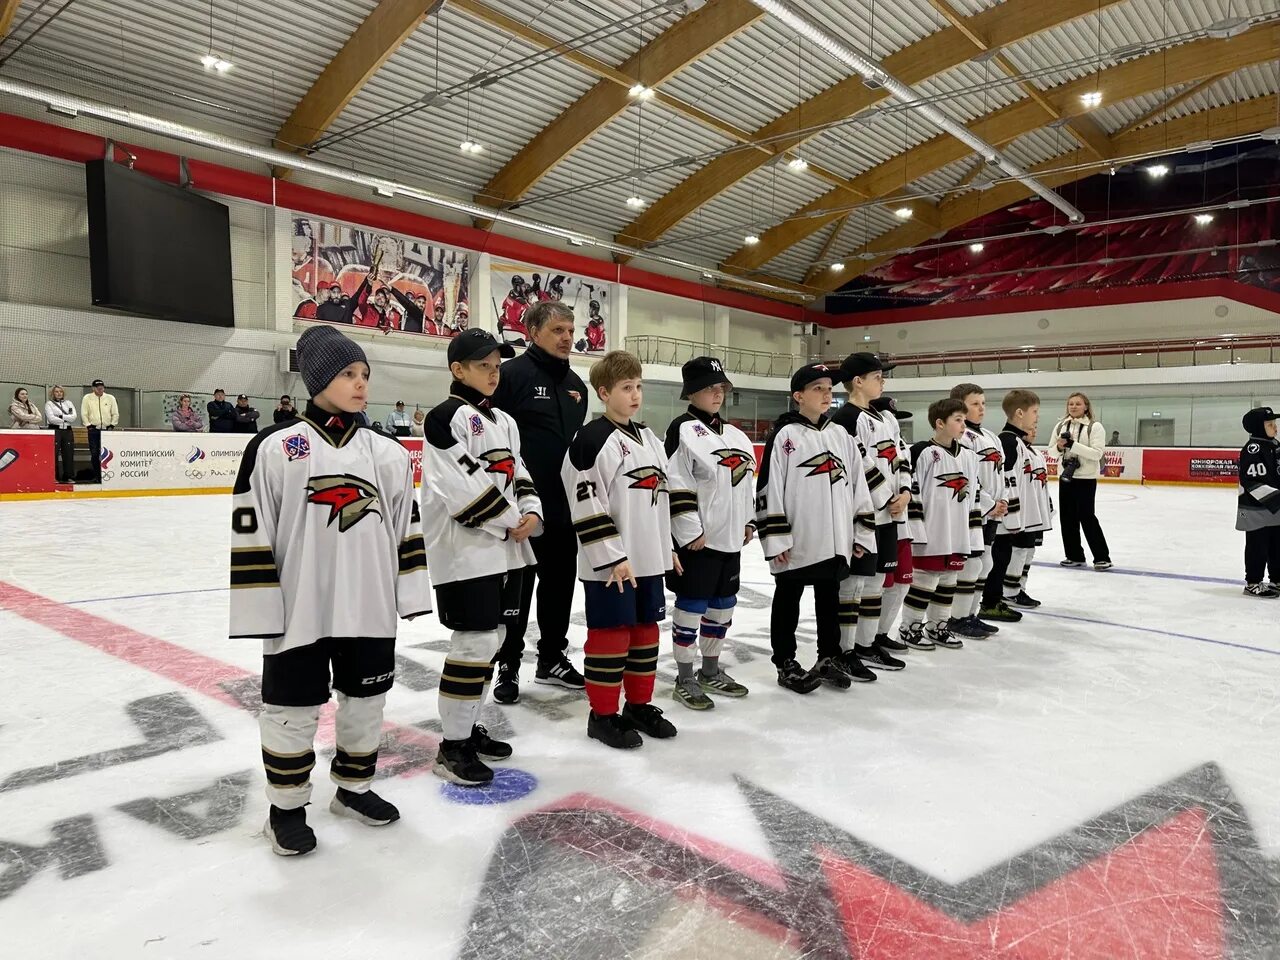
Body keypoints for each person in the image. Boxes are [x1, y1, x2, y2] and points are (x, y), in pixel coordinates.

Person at [229, 324, 432, 856]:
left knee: (366, 701)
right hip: (300, 609)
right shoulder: (275, 448)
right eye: (348, 374)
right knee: (291, 709)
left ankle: (353, 789)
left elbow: (406, 528)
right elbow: (251, 530)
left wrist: (408, 594)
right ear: (317, 379)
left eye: (365, 374)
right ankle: (286, 806)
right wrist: (259, 609)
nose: (361, 384)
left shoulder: (386, 453)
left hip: (368, 605)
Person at [421, 328, 542, 784]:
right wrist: (509, 520)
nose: (493, 373)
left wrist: (531, 512)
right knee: (471, 644)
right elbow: (458, 483)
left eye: (496, 366)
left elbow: (520, 473)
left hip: (505, 550)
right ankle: (451, 748)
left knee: (490, 641)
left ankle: (468, 729)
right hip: (464, 552)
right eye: (482, 366)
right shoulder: (444, 417)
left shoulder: (504, 421)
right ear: (458, 369)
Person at [562, 350, 678, 748]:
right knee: (611, 636)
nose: (635, 395)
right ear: (604, 392)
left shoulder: (649, 438)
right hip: (612, 564)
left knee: (646, 633)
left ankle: (638, 705)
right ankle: (603, 714)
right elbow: (584, 500)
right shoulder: (591, 439)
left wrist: (668, 548)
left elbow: (661, 498)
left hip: (648, 559)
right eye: (626, 387)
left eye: (639, 386)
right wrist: (613, 556)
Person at [757, 362, 876, 694]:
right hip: (797, 538)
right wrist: (776, 538)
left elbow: (859, 486)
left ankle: (828, 656)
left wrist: (861, 531)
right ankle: (785, 662)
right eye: (817, 389)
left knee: (829, 600)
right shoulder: (784, 435)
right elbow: (769, 488)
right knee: (788, 598)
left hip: (836, 538)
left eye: (829, 388)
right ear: (798, 396)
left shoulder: (840, 434)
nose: (827, 395)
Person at [490, 301, 589, 701]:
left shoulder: (578, 388)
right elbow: (494, 445)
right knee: (518, 588)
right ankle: (508, 665)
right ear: (533, 332)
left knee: (560, 584)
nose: (568, 337)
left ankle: (551, 656)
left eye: (570, 330)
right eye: (558, 330)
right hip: (521, 507)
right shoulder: (510, 377)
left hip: (563, 508)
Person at [664, 357, 756, 711]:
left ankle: (711, 670)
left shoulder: (735, 435)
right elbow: (676, 481)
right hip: (698, 542)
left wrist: (748, 521)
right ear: (692, 392)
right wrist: (688, 530)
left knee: (723, 607)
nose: (716, 394)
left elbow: (744, 483)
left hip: (730, 539)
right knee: (691, 608)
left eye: (720, 388)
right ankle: (685, 676)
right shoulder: (682, 429)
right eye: (708, 388)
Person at [831, 353, 912, 671]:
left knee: (878, 581)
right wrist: (886, 497)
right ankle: (845, 649)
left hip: (891, 513)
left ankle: (867, 643)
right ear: (858, 381)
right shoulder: (847, 419)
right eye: (877, 376)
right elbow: (858, 465)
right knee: (853, 584)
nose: (883, 381)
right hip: (862, 516)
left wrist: (904, 491)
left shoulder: (887, 418)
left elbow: (901, 457)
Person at [896, 399, 984, 650]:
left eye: (964, 420)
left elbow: (973, 496)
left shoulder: (969, 456)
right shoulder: (922, 452)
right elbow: (912, 493)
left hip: (957, 532)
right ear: (939, 423)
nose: (963, 425)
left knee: (949, 580)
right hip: (931, 532)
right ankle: (909, 627)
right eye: (958, 419)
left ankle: (938, 625)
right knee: (925, 580)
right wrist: (916, 531)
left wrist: (972, 534)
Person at [980, 389, 1048, 622]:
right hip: (1003, 517)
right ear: (1019, 413)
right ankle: (990, 602)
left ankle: (995, 599)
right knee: (998, 558)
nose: (1037, 417)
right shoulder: (1008, 441)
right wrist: (1011, 514)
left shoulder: (1017, 441)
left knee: (1003, 557)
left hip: (1008, 516)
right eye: (1034, 412)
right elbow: (1005, 480)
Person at [950, 383, 1007, 638]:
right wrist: (989, 504)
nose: (981, 408)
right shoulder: (962, 437)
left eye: (983, 403)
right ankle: (957, 617)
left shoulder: (991, 436)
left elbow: (1000, 473)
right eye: (975, 403)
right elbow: (967, 477)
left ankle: (971, 614)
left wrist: (1002, 501)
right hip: (973, 511)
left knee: (985, 563)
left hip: (992, 512)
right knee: (971, 566)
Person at [1051, 393, 1112, 570]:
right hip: (1066, 478)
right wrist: (1059, 447)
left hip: (1086, 478)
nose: (1074, 406)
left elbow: (1097, 453)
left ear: (1086, 406)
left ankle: (1102, 557)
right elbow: (1052, 452)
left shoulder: (1095, 427)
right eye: (1070, 404)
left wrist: (1073, 446)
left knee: (1087, 517)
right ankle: (1074, 555)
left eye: (1078, 404)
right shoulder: (1060, 426)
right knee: (1067, 518)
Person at [1236, 406, 1280, 598]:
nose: (1275, 428)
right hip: (1256, 509)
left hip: (1276, 508)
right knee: (1258, 546)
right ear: (1258, 428)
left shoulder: (1275, 445)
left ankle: (1277, 579)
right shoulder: (1252, 449)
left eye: (1275, 424)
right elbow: (1250, 481)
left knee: (1277, 546)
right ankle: (1253, 582)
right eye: (1270, 424)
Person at [81, 379, 118, 484]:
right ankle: (97, 476)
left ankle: (107, 475)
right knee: (95, 453)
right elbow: (84, 413)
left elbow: (115, 412)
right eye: (98, 387)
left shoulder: (110, 398)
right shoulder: (87, 398)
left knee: (107, 453)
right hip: (93, 430)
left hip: (107, 429)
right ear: (93, 388)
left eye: (102, 387)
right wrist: (88, 425)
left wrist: (112, 424)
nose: (100, 389)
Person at [44, 386, 77, 483]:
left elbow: (73, 417)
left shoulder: (69, 403)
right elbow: (51, 418)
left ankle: (68, 476)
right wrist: (66, 418)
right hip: (55, 430)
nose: (59, 393)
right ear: (52, 393)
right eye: (56, 392)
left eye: (61, 391)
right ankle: (54, 476)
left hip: (67, 430)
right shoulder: (49, 404)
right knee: (53, 454)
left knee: (68, 453)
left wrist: (61, 416)